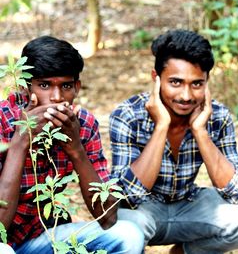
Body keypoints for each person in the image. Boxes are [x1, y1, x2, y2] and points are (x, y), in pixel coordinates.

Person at [110, 29, 238, 254]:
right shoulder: (129, 115)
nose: (186, 95)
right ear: (156, 78)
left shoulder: (217, 116)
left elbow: (236, 192)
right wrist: (161, 126)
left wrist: (200, 131)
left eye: (197, 84)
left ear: (207, 81)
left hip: (188, 204)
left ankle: (184, 252)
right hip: (143, 212)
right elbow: (129, 196)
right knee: (123, 228)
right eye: (175, 82)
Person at [0, 36, 144, 254]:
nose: (57, 98)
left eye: (66, 86)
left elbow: (108, 218)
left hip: (41, 239)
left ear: (77, 87)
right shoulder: (3, 120)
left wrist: (75, 148)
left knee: (128, 236)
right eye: (44, 85)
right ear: (25, 87)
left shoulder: (82, 125)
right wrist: (20, 142)